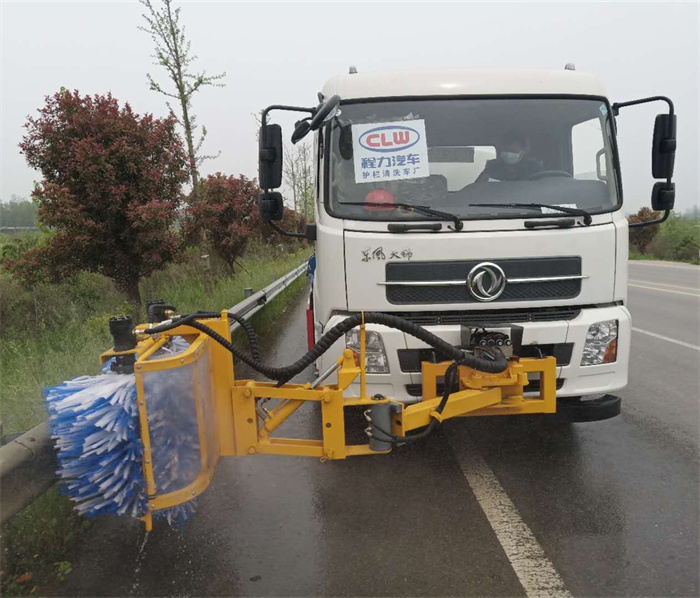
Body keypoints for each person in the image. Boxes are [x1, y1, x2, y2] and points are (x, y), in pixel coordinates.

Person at [476, 130, 543, 182]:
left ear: (524, 151)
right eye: (505, 150)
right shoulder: (492, 170)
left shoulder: (534, 169)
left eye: (513, 151)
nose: (508, 154)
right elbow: (476, 190)